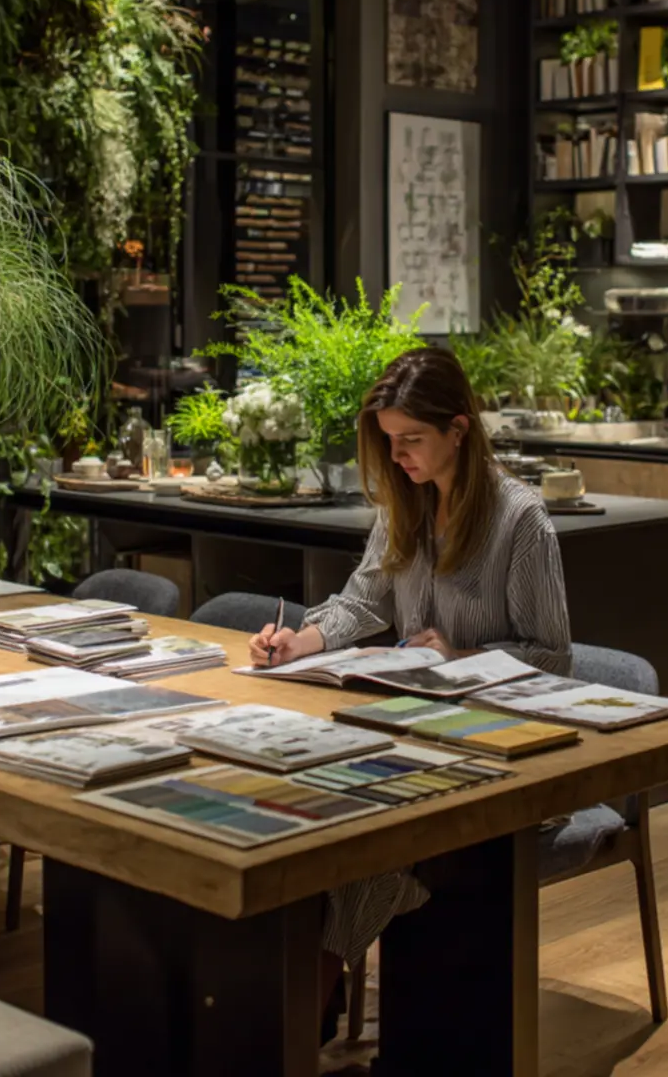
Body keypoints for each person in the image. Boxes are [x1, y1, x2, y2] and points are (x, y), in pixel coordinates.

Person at [250, 346, 572, 1036]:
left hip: (498, 752)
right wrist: (297, 643)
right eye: (389, 442)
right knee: (316, 817)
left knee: (374, 842)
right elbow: (361, 602)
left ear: (460, 428)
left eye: (411, 441)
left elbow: (553, 656)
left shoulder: (521, 522)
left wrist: (459, 656)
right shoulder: (403, 505)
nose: (397, 457)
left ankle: (306, 1007)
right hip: (414, 732)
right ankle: (307, 1005)